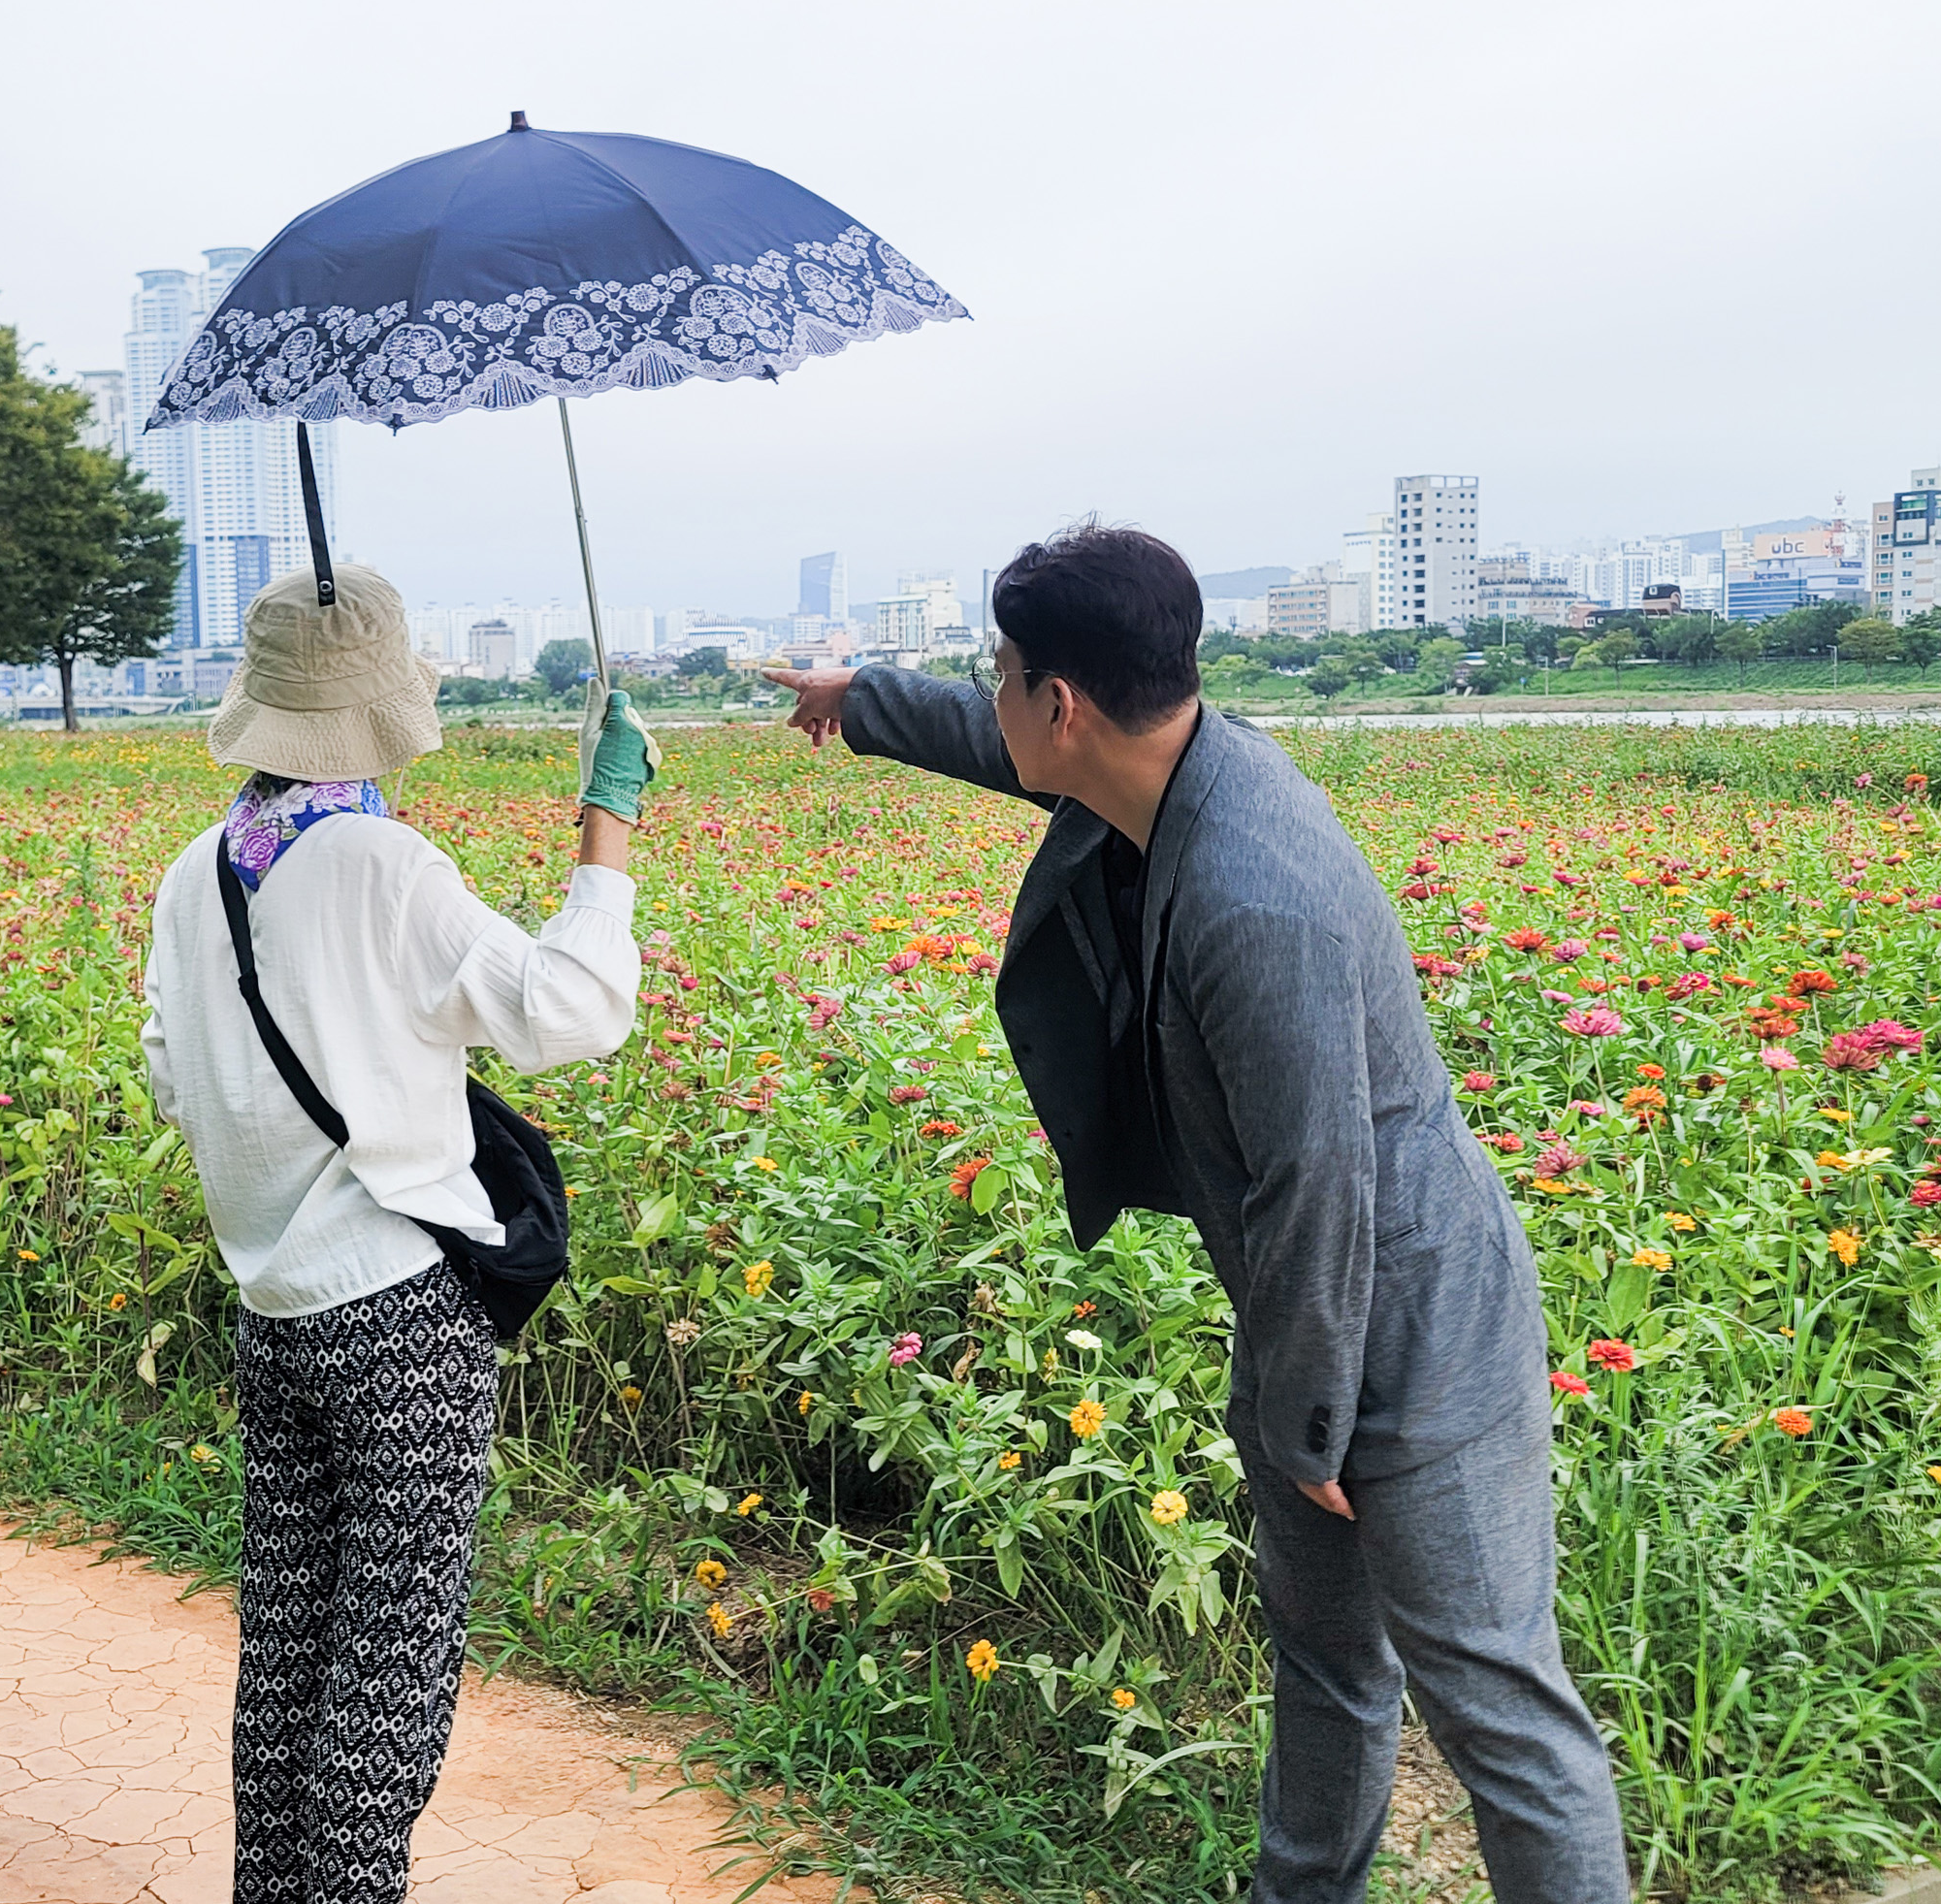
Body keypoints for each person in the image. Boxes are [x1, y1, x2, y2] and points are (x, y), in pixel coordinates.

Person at [763, 524, 1626, 1904]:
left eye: (1002, 675)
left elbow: (1320, 1180)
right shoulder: (1158, 763)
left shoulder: (1249, 897)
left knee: (1497, 1710)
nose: (997, 700)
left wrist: (1305, 1422)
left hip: (1408, 1317)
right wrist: (858, 702)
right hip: (1309, 1303)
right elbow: (1010, 750)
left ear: (1065, 701)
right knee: (1328, 1662)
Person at [140, 565, 652, 1904]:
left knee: (293, 1651)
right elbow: (572, 1012)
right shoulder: (380, 863)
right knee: (389, 1673)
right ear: (381, 714)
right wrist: (608, 822)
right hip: (404, 1323)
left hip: (276, 1318)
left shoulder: (194, 878)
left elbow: (176, 1081)